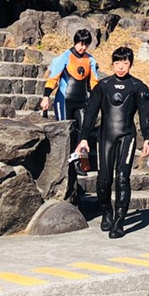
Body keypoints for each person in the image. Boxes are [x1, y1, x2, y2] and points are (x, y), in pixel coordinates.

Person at [75, 46, 149, 239]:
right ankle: (107, 212)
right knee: (103, 181)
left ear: (130, 64)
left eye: (125, 63)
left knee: (122, 178)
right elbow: (91, 113)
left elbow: (145, 115)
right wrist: (83, 138)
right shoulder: (103, 86)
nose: (121, 66)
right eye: (117, 62)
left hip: (127, 136)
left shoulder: (138, 86)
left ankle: (119, 220)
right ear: (112, 63)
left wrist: (148, 139)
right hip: (105, 137)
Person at [40, 29, 101, 206]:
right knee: (67, 132)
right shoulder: (64, 57)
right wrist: (46, 97)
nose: (83, 47)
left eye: (86, 44)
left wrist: (97, 99)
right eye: (80, 43)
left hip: (82, 100)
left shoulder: (90, 60)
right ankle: (65, 162)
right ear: (75, 42)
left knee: (83, 132)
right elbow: (53, 78)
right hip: (64, 100)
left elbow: (94, 82)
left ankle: (81, 163)